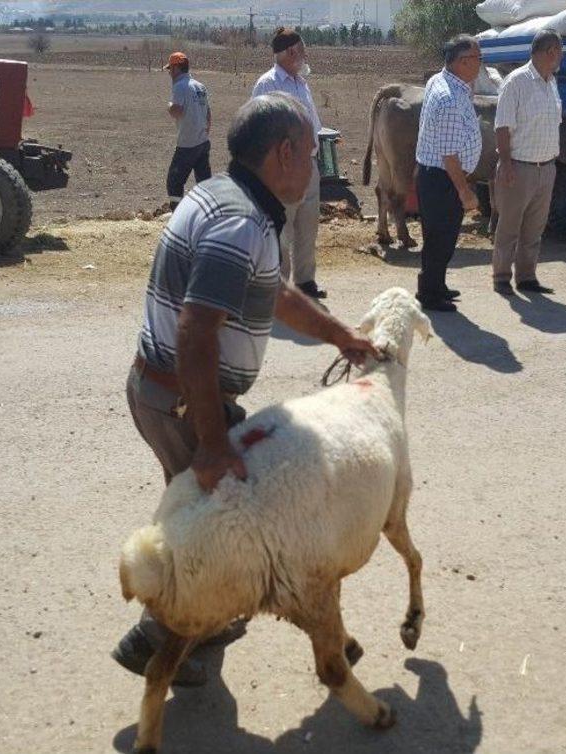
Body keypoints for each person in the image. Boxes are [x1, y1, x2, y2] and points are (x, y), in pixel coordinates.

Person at [112, 93, 378, 685]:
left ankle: (212, 627)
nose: (313, 167)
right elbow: (197, 330)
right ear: (282, 152)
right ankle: (156, 641)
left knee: (209, 519)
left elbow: (274, 294)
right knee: (223, 530)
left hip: (166, 394)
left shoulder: (224, 198)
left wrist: (339, 335)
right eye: (310, 153)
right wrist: (211, 443)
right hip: (182, 403)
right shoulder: (240, 223)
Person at [251, 28, 327, 302]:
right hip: (282, 171)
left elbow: (313, 123)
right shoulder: (267, 84)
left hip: (309, 166)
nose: (304, 54)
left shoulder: (301, 82)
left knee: (308, 226)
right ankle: (278, 288)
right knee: (281, 229)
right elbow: (258, 129)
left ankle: (305, 283)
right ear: (291, 53)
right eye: (301, 50)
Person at [492, 29, 563, 296]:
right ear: (550, 52)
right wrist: (506, 164)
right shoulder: (516, 82)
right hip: (519, 167)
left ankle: (526, 277)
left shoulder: (551, 82)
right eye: (559, 52)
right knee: (509, 225)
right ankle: (501, 277)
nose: (560, 57)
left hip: (546, 168)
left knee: (534, 228)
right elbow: (502, 127)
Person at [415, 34, 482, 312]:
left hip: (438, 176)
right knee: (439, 237)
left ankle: (436, 285)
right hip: (443, 178)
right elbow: (449, 155)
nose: (481, 64)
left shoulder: (441, 81)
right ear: (463, 62)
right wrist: (464, 191)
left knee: (441, 236)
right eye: (478, 58)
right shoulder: (449, 98)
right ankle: (430, 294)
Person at [164, 51, 212, 211]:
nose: (170, 73)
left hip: (187, 144)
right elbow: (208, 114)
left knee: (174, 180)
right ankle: (209, 214)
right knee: (204, 182)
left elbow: (177, 111)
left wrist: (169, 106)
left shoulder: (179, 86)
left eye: (170, 69)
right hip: (203, 142)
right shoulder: (200, 86)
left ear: (176, 68)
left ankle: (178, 215)